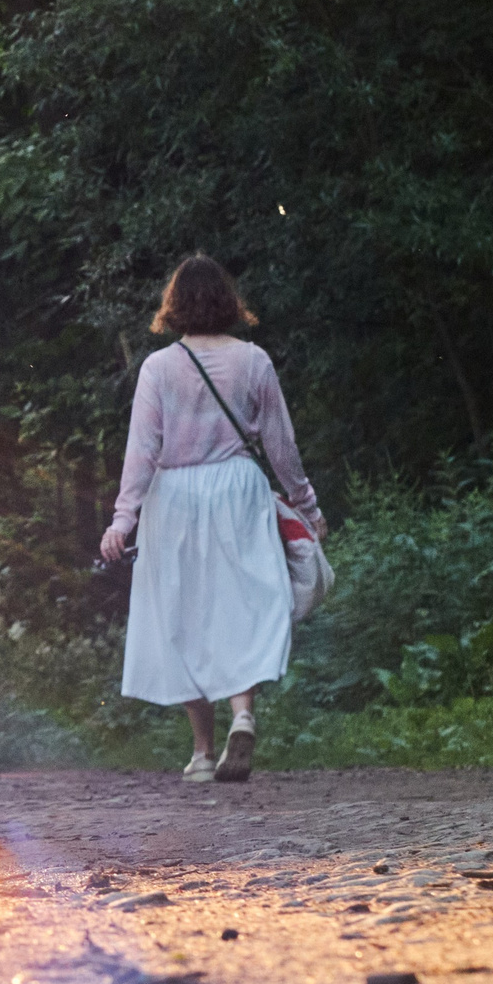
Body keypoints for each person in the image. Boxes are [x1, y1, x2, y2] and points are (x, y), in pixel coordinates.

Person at [98, 255, 323, 784]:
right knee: (239, 608)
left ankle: (201, 753)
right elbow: (281, 446)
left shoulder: (158, 368)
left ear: (173, 304)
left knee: (184, 619)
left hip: (174, 498)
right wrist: (307, 509)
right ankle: (242, 715)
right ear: (228, 302)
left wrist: (121, 521)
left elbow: (142, 451)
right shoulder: (254, 361)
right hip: (238, 491)